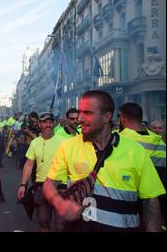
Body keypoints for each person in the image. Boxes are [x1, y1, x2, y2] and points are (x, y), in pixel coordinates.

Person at [43, 90, 165, 232]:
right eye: (80, 112)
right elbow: (49, 184)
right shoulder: (68, 146)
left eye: (87, 113)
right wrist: (59, 203)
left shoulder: (135, 151)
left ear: (107, 116)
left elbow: (150, 200)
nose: (80, 119)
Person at [118, 103, 166, 231]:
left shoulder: (119, 140)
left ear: (122, 118)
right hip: (159, 208)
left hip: (130, 207)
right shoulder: (160, 143)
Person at [17, 112, 66, 232]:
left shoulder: (64, 142)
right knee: (43, 222)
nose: (48, 125)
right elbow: (29, 164)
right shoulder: (35, 143)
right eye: (44, 122)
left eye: (50, 122)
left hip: (61, 188)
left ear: (54, 123)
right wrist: (23, 185)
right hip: (41, 187)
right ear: (39, 124)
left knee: (61, 226)